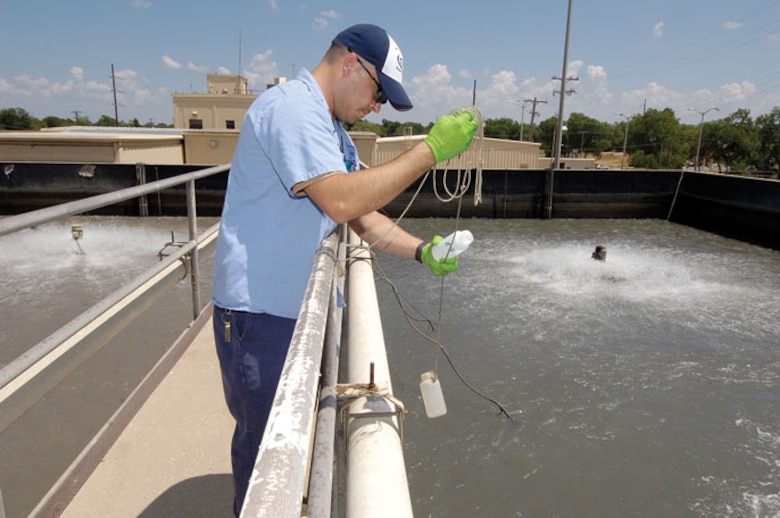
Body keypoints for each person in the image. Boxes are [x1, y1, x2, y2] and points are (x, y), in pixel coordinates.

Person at [211, 23, 478, 515]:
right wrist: (429, 151)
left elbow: (362, 214)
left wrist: (422, 251)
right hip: (260, 315)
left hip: (290, 311)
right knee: (266, 455)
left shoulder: (329, 127)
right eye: (379, 93)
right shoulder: (292, 109)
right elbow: (338, 201)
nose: (376, 106)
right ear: (351, 63)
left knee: (288, 438)